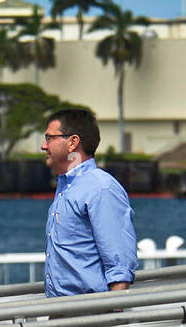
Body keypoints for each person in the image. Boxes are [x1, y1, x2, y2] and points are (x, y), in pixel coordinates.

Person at [40, 108, 136, 297]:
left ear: (72, 142)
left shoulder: (100, 188)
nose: (43, 145)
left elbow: (119, 263)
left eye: (50, 138)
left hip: (90, 313)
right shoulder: (66, 188)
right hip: (63, 310)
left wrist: (113, 312)